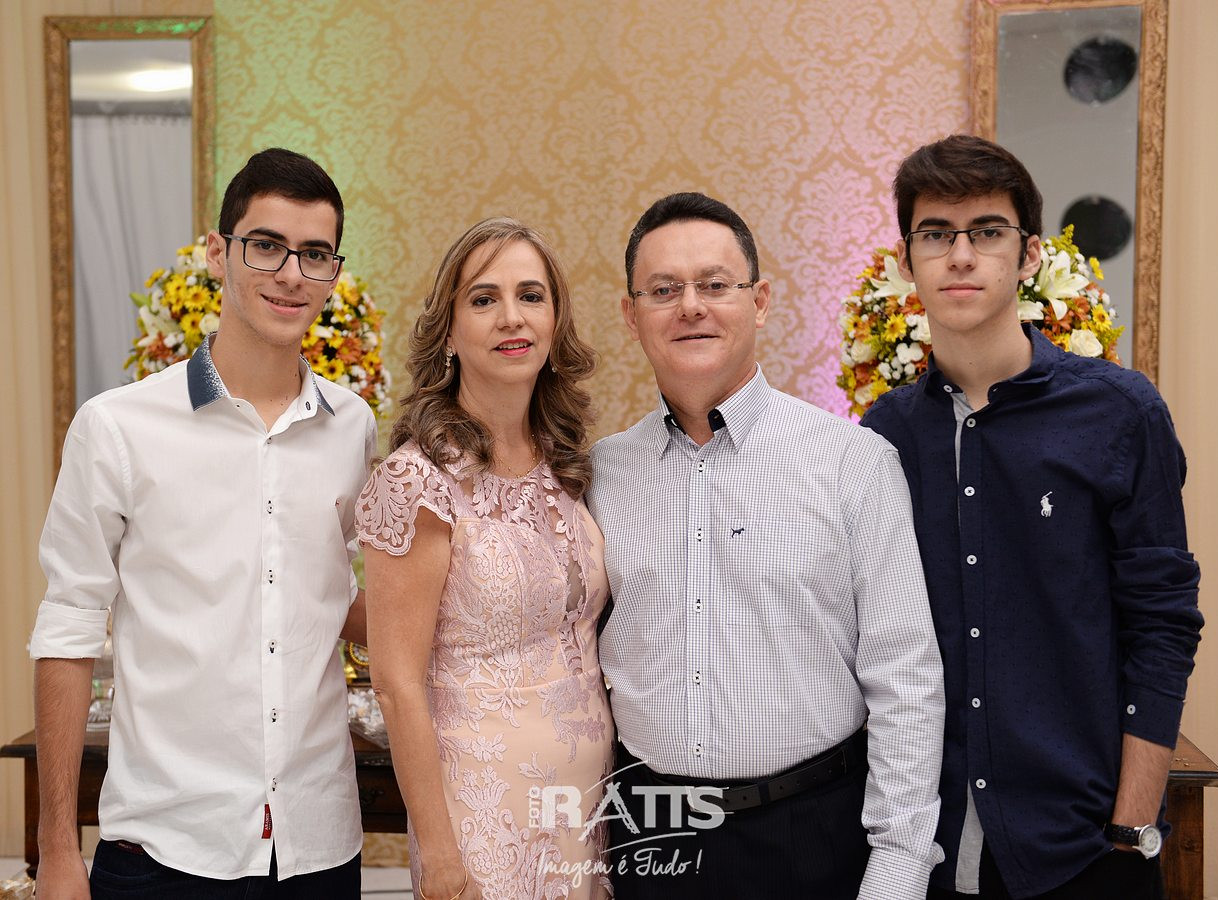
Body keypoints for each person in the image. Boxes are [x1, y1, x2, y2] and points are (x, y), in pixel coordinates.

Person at [862, 134, 1203, 899]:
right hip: (923, 849)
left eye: (986, 231)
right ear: (905, 259)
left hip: (1082, 848)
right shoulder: (882, 436)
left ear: (1028, 255)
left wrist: (1129, 829)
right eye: (934, 233)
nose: (960, 255)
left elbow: (1162, 625)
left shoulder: (1119, 414)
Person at [30, 147, 375, 899]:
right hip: (164, 847)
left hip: (317, 847)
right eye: (267, 245)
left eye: (315, 254)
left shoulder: (353, 427)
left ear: (332, 274)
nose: (291, 273)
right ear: (219, 253)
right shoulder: (117, 427)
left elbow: (341, 599)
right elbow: (69, 623)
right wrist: (57, 849)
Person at [588, 191, 946, 900]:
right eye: (664, 290)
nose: (691, 306)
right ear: (631, 315)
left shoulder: (853, 462)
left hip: (813, 834)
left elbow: (905, 676)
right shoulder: (599, 476)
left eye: (715, 284)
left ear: (759, 301)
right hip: (650, 835)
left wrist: (898, 868)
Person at [355, 217, 613, 900]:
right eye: (483, 299)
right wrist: (442, 859)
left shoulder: (566, 466)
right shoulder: (418, 482)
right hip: (481, 821)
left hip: (585, 812)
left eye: (531, 295)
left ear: (554, 322)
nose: (511, 317)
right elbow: (396, 683)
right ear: (448, 331)